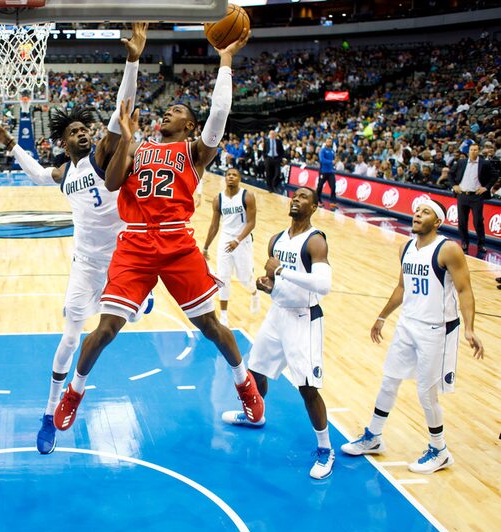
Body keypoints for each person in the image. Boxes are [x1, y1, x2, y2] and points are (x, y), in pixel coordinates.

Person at [53, 28, 265, 434]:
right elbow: (114, 184)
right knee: (105, 328)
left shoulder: (194, 151)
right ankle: (74, 394)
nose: (169, 111)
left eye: (179, 110)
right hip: (134, 240)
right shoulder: (140, 148)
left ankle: (245, 386)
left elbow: (219, 116)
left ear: (190, 126)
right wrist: (128, 142)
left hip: (176, 239)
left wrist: (224, 61)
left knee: (210, 327)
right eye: (168, 109)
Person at [0, 23, 152, 455]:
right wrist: (11, 146)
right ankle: (48, 413)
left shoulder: (102, 156)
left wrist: (132, 59)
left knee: (120, 322)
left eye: (86, 129)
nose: (83, 133)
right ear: (63, 142)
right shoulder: (64, 173)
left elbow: (123, 110)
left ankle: (138, 303)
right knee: (68, 338)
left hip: (122, 263)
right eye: (75, 132)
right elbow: (38, 174)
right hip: (85, 267)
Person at [341, 200, 484, 473]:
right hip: (408, 325)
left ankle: (439, 450)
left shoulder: (448, 250)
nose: (418, 214)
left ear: (437, 221)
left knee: (426, 392)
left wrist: (469, 328)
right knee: (389, 380)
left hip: (436, 330)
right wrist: (382, 317)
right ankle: (374, 436)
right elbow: (401, 287)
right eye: (417, 211)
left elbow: (465, 291)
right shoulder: (405, 247)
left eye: (426, 212)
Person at [221, 187, 335, 479]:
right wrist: (267, 283)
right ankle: (256, 416)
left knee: (307, 387)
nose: (296, 199)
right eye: (295, 196)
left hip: (303, 318)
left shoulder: (316, 241)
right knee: (256, 369)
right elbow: (274, 278)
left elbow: (323, 285)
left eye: (304, 197)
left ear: (314, 207)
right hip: (277, 315)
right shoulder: (276, 239)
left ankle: (325, 449)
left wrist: (281, 272)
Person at [202, 167, 260, 327]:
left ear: (239, 178)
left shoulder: (247, 196)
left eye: (234, 174)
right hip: (225, 241)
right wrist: (206, 247)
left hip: (243, 241)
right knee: (223, 277)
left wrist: (238, 240)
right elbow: (214, 225)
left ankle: (254, 293)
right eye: (228, 175)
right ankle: (224, 316)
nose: (231, 177)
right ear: (225, 178)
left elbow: (251, 222)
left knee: (244, 278)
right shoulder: (218, 199)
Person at [449, 142, 497, 255]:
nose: (473, 151)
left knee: (478, 222)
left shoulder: (484, 163)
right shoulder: (461, 162)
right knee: (462, 222)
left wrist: (486, 187)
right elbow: (450, 174)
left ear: (478, 151)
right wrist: (454, 185)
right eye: (471, 150)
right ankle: (464, 243)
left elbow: (495, 175)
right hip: (462, 195)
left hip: (476, 196)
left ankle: (481, 245)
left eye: (476, 150)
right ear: (468, 151)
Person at [264, 129, 285, 194]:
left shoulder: (279, 141)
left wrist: (280, 158)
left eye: (273, 134)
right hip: (269, 159)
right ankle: (269, 187)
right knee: (268, 173)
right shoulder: (266, 141)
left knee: (277, 173)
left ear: (275, 135)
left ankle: (274, 184)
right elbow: (264, 151)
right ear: (269, 135)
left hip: (276, 159)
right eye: (271, 134)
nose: (272, 135)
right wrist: (265, 158)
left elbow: (282, 151)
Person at [316, 138, 336, 204]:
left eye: (330, 142)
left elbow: (334, 160)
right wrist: (331, 162)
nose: (329, 143)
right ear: (325, 142)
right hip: (323, 171)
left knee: (333, 186)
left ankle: (332, 201)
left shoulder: (332, 151)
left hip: (331, 172)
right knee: (320, 186)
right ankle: (317, 200)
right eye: (328, 141)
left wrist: (334, 163)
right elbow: (322, 160)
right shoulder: (322, 150)